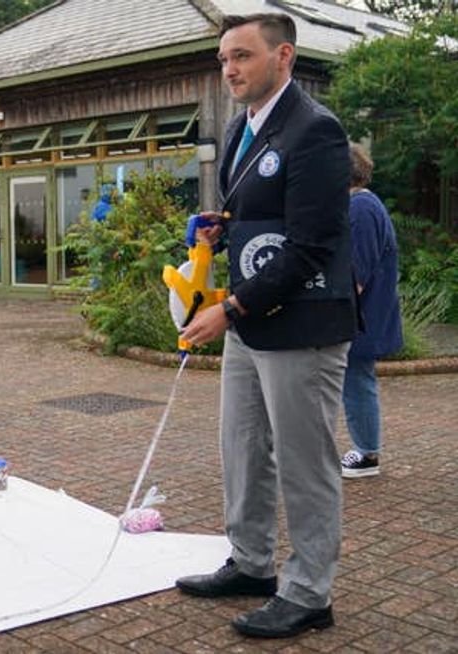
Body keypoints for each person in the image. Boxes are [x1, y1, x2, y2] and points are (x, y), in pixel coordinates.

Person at [175, 13, 357, 639]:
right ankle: (252, 563)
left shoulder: (316, 130)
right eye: (224, 58)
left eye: (243, 56)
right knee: (243, 448)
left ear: (284, 56)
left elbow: (311, 244)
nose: (229, 69)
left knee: (305, 462)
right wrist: (220, 229)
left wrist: (229, 307)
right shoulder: (239, 128)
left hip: (300, 324)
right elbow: (259, 212)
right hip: (251, 324)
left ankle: (308, 593)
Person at [340, 145, 403, 478]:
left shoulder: (361, 208)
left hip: (361, 318)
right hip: (366, 316)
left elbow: (356, 274)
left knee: (357, 381)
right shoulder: (365, 205)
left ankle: (366, 454)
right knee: (356, 380)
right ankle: (365, 449)